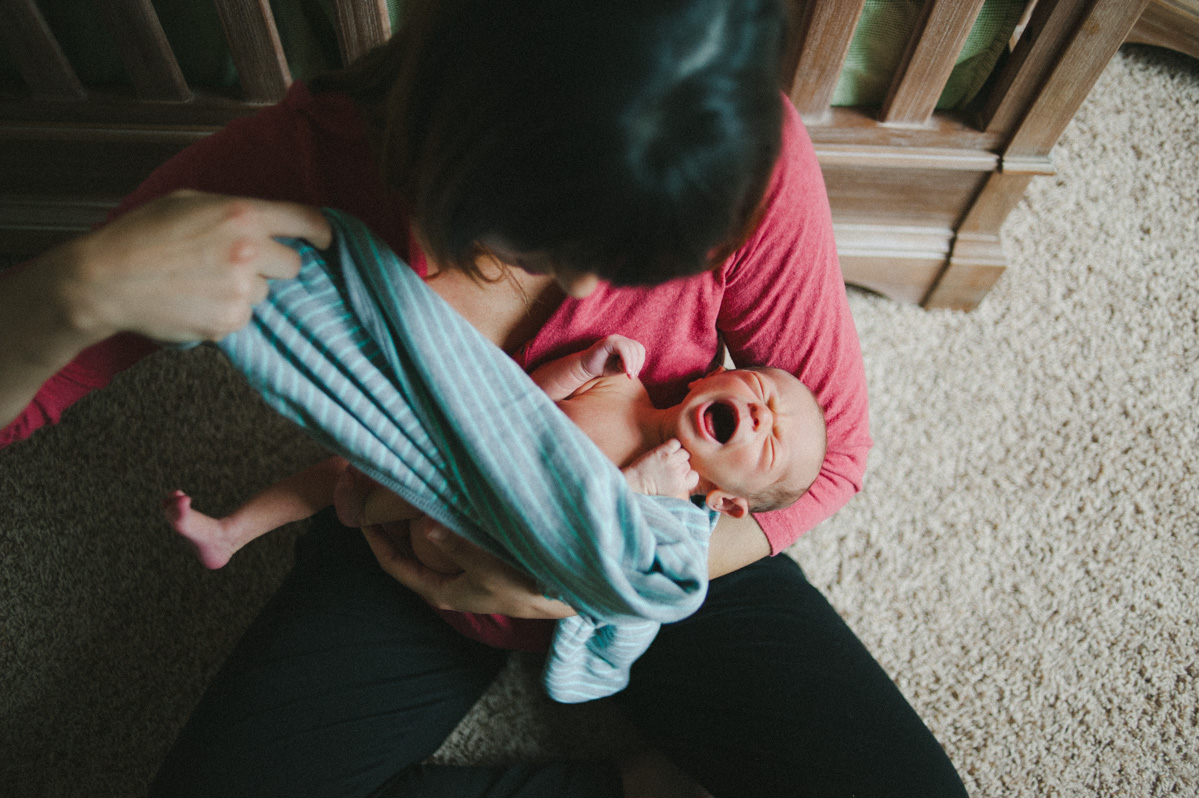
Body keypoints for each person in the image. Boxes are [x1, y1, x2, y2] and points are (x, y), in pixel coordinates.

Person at [0, 0, 969, 795]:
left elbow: (831, 456)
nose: (592, 296)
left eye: (640, 261)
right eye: (546, 244)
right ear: (462, 150)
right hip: (412, 536)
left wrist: (574, 580)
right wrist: (74, 291)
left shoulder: (735, 146)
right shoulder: (296, 175)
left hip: (646, 534)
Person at [163, 334, 828, 573]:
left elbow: (591, 560)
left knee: (381, 494)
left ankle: (362, 505)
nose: (761, 412)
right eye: (757, 388)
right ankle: (232, 530)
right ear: (705, 379)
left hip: (476, 535)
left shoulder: (673, 516)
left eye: (769, 440)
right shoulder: (618, 385)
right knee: (347, 459)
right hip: (454, 467)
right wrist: (580, 366)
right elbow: (519, 404)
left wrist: (638, 493)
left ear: (727, 501)